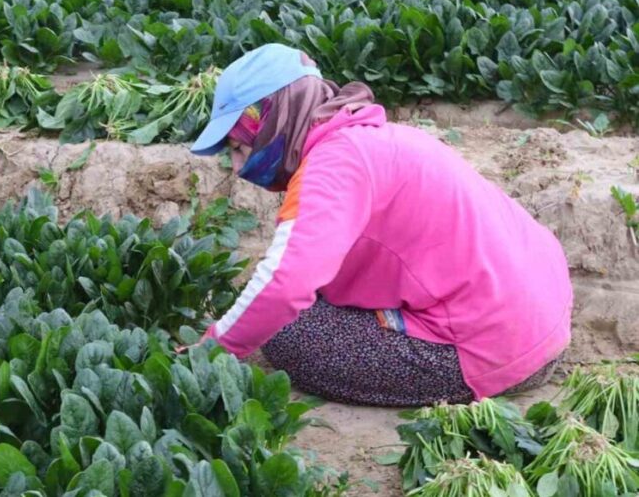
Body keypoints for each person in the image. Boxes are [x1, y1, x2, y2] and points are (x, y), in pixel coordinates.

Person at [187, 43, 572, 407]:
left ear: (276, 121)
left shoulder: (331, 167)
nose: (237, 168)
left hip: (497, 350)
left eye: (239, 148)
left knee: (287, 333)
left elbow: (286, 284)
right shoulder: (373, 138)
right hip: (541, 318)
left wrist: (211, 351)